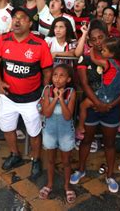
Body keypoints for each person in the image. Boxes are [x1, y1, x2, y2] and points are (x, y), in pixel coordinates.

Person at [0, 7, 53, 179]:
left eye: (22, 18)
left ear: (30, 23)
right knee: (8, 128)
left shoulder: (40, 44)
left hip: (31, 99)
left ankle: (36, 159)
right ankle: (14, 154)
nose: (17, 21)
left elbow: (48, 71)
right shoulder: (3, 39)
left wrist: (42, 91)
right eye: (14, 18)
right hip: (8, 98)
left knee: (34, 132)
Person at [72, 33, 120, 193]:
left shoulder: (107, 62)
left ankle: (110, 175)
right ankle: (81, 169)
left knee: (110, 144)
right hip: (98, 104)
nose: (98, 44)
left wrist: (109, 106)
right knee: (86, 141)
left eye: (101, 42)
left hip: (109, 105)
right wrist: (101, 104)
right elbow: (83, 82)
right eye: (93, 40)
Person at [39, 64, 77, 204]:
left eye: (62, 76)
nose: (57, 78)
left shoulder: (71, 92)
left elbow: (68, 116)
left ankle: (67, 185)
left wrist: (61, 99)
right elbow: (47, 113)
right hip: (50, 131)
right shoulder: (47, 90)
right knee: (50, 160)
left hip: (65, 132)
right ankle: (49, 184)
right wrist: (55, 98)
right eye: (55, 75)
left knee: (66, 162)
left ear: (68, 79)